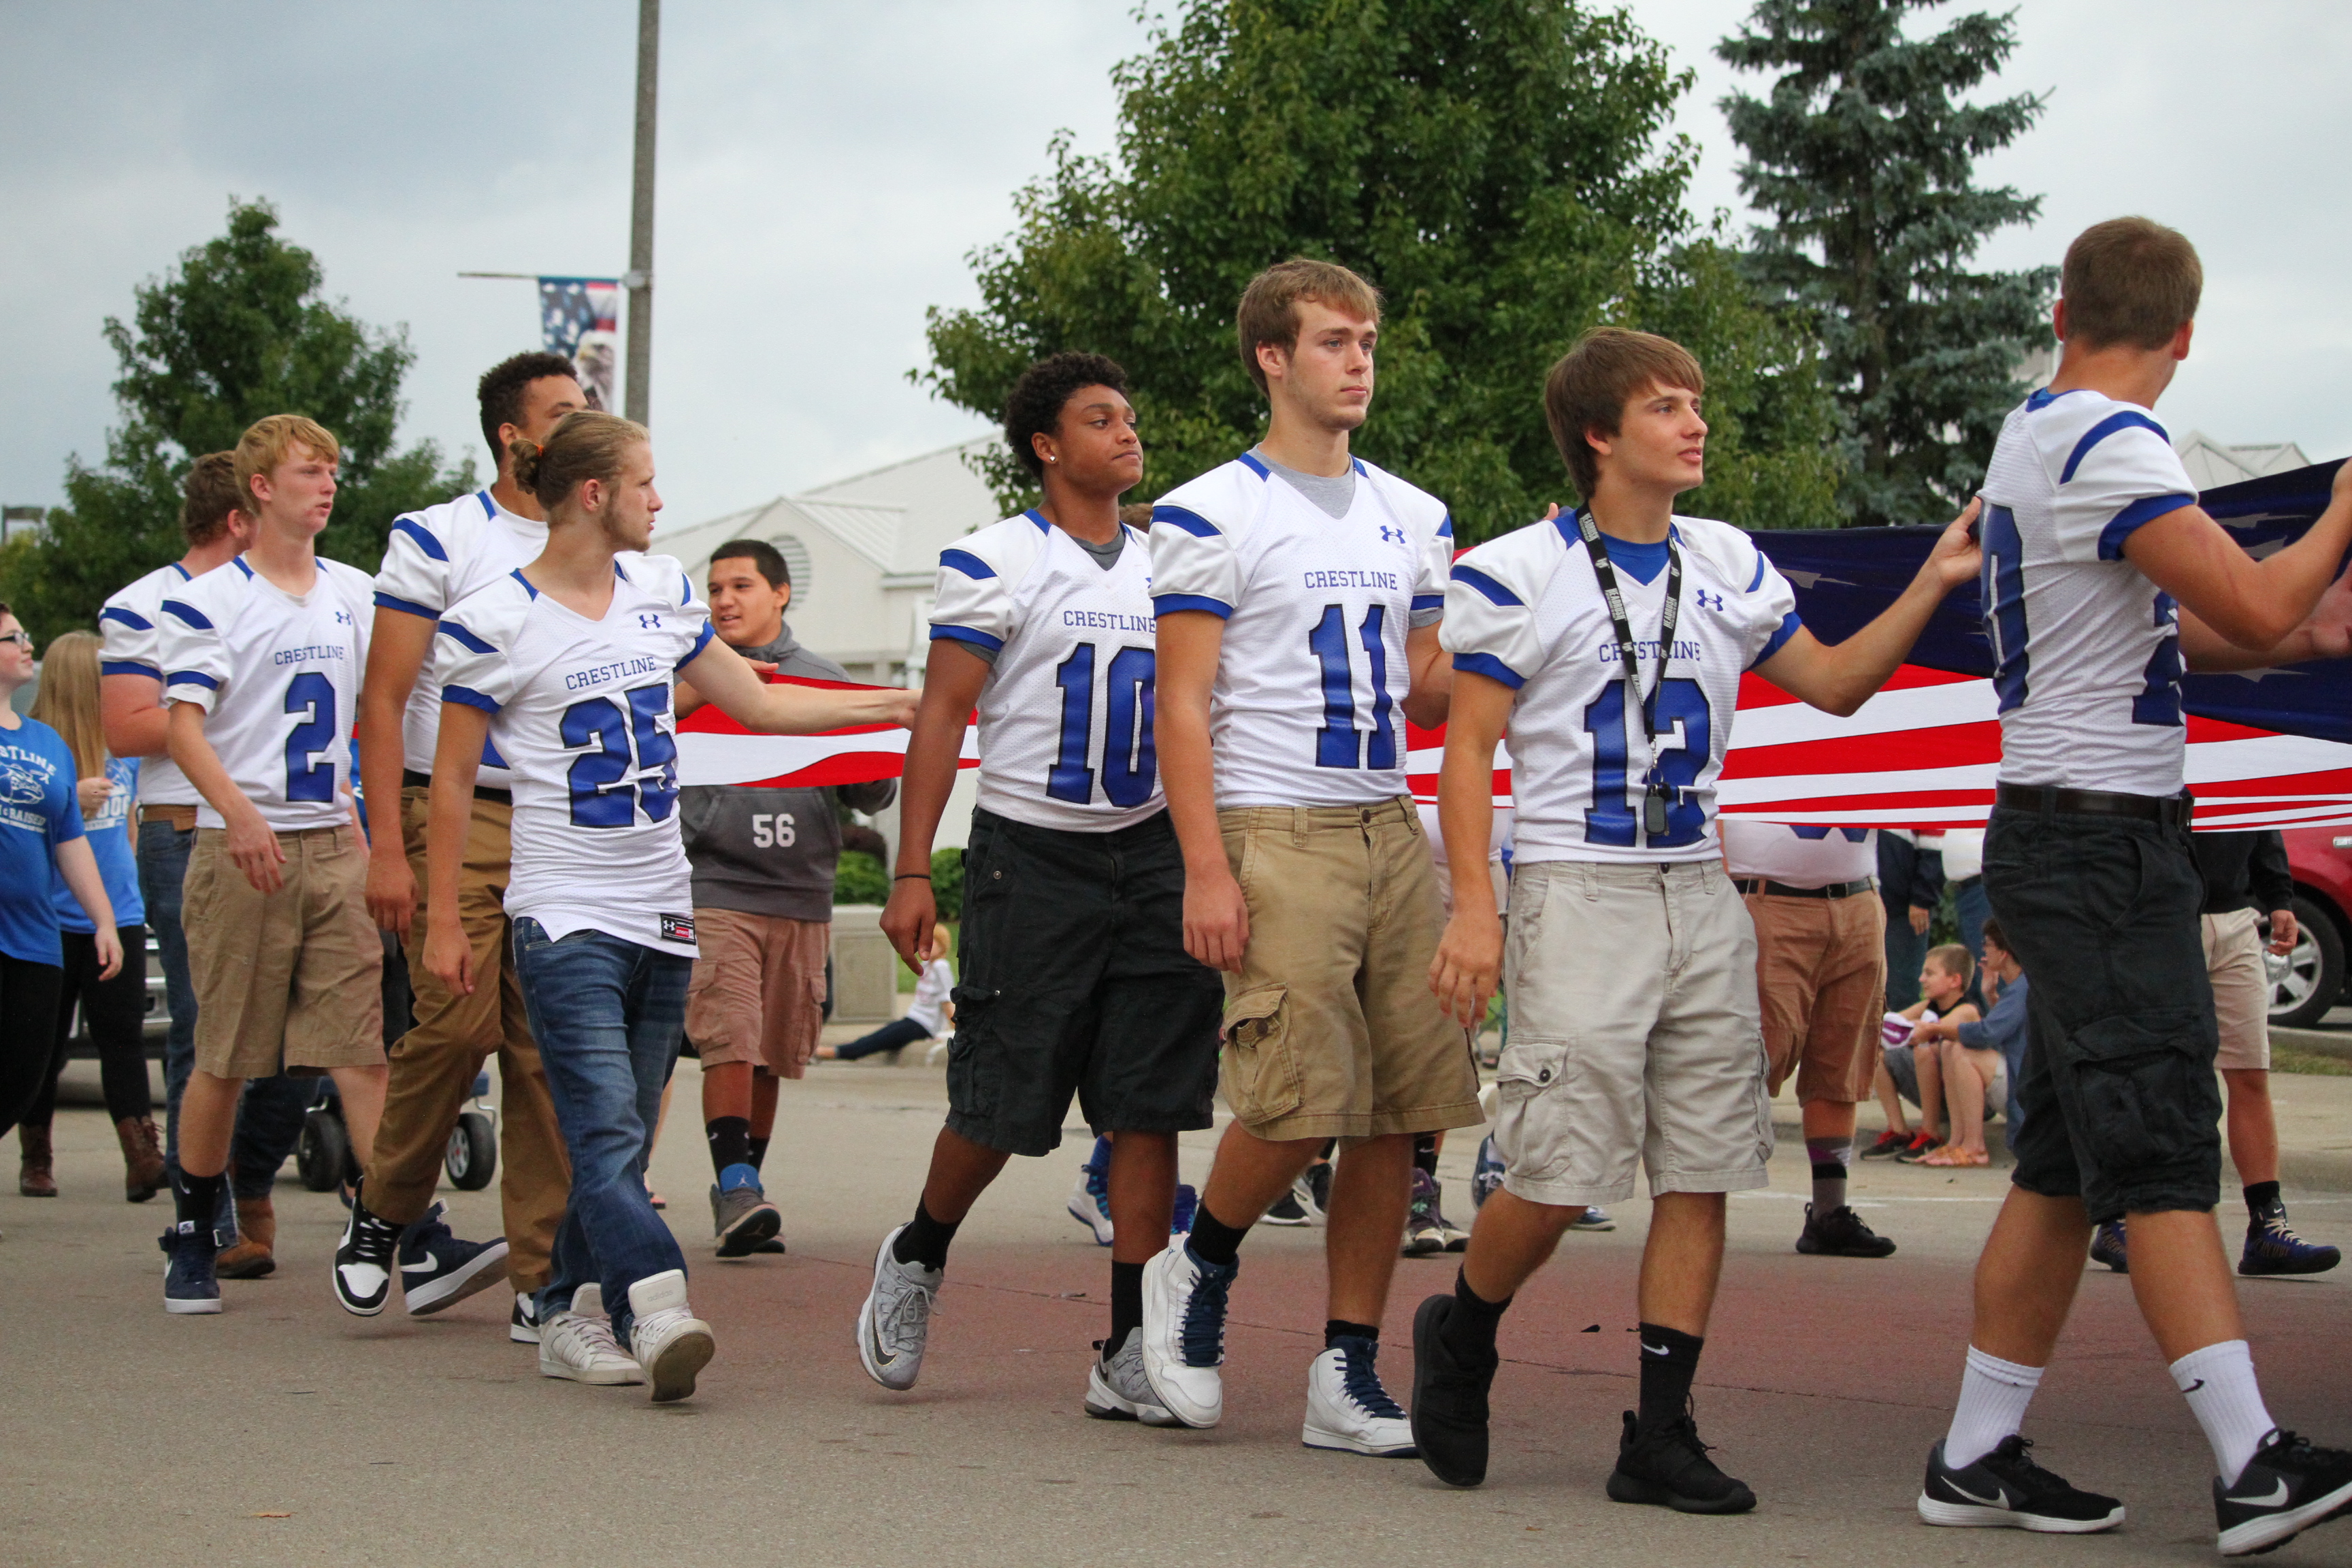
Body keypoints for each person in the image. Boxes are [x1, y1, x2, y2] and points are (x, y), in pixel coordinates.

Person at [1407, 325, 1982, 1506]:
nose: (1696, 421)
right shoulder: (1518, 569)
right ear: (1599, 434)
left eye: (1696, 401)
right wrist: (1475, 908)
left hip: (1697, 887)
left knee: (1703, 1164)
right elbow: (1466, 749)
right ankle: (1463, 1326)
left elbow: (1835, 685)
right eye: (1667, 405)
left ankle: (1658, 1433)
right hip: (1576, 886)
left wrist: (1933, 577)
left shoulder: (1726, 558)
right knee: (1558, 1171)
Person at [1916, 217, 2352, 1556]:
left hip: (2068, 831)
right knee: (2162, 1143)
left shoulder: (2036, 429)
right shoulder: (2115, 441)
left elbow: (2161, 621)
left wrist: (2305, 631)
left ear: (2061, 313)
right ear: (2186, 335)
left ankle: (1975, 1449)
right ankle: (2251, 1457)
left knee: (2063, 1160)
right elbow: (2258, 605)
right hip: (2099, 844)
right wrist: (2341, 511)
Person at [423, 410, 915, 1402]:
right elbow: (450, 781)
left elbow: (761, 703)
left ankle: (563, 1311)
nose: (660, 501)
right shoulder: (491, 620)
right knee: (606, 1129)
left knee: (623, 1133)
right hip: (565, 911)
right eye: (645, 483)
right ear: (593, 494)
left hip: (663, 906)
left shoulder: (660, 590)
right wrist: (441, 917)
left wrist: (901, 704)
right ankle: (656, 1303)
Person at [1134, 262, 1475, 1454]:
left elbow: (1426, 688)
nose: (1360, 360)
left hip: (1388, 818)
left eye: (1368, 339)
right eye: (1334, 340)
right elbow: (1182, 703)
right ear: (1272, 358)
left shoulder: (1415, 512)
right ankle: (1195, 1262)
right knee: (1297, 1097)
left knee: (1398, 1111)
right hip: (1273, 822)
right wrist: (1204, 866)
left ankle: (1346, 1365)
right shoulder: (1209, 510)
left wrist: (1512, 616)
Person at [856, 352, 1225, 1424]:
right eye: (1100, 419)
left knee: (1148, 1106)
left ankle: (1128, 1348)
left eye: (1131, 416)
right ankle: (919, 1252)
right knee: (1002, 1104)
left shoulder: (1173, 562)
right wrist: (913, 868)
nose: (1128, 432)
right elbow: (942, 714)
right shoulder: (998, 559)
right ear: (1047, 446)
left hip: (1154, 852)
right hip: (1033, 854)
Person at [350, 351, 586, 1337]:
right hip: (452, 811)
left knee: (544, 1053)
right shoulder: (440, 537)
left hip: (560, 816)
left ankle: (542, 1280)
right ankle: (386, 1208)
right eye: (563, 411)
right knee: (455, 1028)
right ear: (512, 435)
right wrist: (386, 848)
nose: (582, 422)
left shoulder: (598, 546)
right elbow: (382, 699)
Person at [155, 414, 389, 1314]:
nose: (326, 485)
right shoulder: (211, 598)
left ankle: (399, 1221)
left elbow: (383, 708)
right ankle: (195, 1229)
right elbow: (183, 726)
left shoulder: (355, 591)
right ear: (260, 487)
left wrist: (375, 834)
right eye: (307, 471)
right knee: (226, 1054)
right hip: (242, 841)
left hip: (332, 838)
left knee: (358, 1049)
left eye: (332, 470)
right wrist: (238, 813)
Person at [99, 452, 310, 1260]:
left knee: (309, 1035)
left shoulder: (299, 593)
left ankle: (249, 1180)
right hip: (186, 828)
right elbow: (126, 725)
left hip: (287, 826)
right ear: (240, 519)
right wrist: (234, 702)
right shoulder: (143, 604)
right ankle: (209, 1211)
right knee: (207, 1024)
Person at [673, 536, 897, 1258]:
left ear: (780, 594)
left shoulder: (824, 680)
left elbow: (873, 790)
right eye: (715, 589)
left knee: (772, 1050)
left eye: (740, 586)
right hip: (716, 888)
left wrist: (872, 743)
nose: (724, 601)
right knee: (731, 1036)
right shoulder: (688, 677)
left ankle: (743, 1195)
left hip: (802, 892)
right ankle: (736, 1183)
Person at [2089, 832, 2339, 1277]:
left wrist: (2279, 896)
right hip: (2158, 916)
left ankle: (2267, 1227)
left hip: (2235, 918)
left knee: (2250, 1073)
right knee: (2151, 1070)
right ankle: (2119, 1218)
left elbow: (2255, 809)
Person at [0, 604, 125, 1217]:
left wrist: (104, 920)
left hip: (35, 937)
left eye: (26, 635)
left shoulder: (47, 744)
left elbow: (69, 838)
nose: (28, 645)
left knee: (23, 1077)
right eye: (13, 637)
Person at [1722, 819, 1897, 1256]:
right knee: (1752, 1056)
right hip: (1767, 898)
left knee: (1843, 1061)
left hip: (1857, 896)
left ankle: (1828, 1212)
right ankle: (1694, 1203)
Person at [16, 632, 148, 1200]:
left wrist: (130, 890)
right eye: (106, 677)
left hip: (117, 915)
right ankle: (37, 1157)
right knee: (45, 1047)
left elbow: (131, 827)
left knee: (124, 1038)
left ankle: (142, 1157)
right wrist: (71, 797)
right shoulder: (41, 752)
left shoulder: (123, 747)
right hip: (50, 919)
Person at [1910, 919, 2027, 1168]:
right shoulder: (2017, 988)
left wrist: (1936, 1028)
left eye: (1988, 944)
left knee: (1964, 1052)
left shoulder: (2023, 988)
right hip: (2018, 1082)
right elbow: (2009, 1029)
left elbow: (1987, 1034)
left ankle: (1975, 1148)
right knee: (1950, 1046)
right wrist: (1990, 995)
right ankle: (1957, 1142)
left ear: (2004, 953)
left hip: (2024, 1089)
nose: (1983, 949)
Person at [1863, 945, 1978, 1162]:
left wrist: (1898, 1030)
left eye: (1930, 973)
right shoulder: (1929, 1005)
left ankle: (1931, 1133)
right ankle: (1899, 1131)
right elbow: (1889, 1025)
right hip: (1935, 1091)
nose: (1921, 979)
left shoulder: (1967, 1010)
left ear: (1955, 980)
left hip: (1968, 1100)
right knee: (1876, 1052)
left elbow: (1922, 1033)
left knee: (1925, 1049)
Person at [815, 926, 952, 1062]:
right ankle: (834, 1051)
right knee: (881, 1036)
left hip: (925, 1025)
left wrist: (957, 1029)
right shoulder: (926, 965)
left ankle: (832, 1052)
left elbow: (947, 1000)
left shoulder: (941, 966)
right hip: (913, 1019)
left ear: (942, 946)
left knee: (877, 1040)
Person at [1877, 830, 1942, 1009]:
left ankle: (1899, 1026)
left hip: (1903, 911)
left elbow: (1934, 850)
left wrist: (1922, 899)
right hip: (1862, 906)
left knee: (1901, 988)